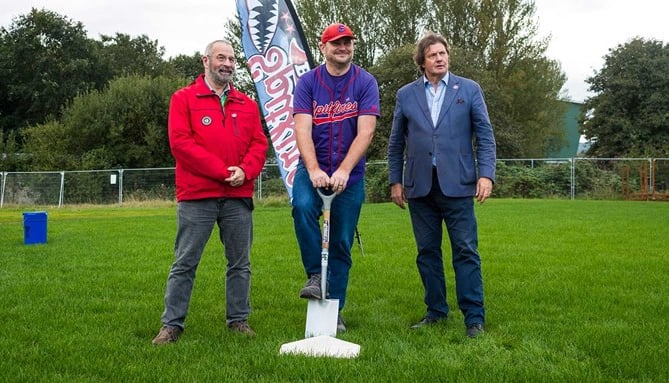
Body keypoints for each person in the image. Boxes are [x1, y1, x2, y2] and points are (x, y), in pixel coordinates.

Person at [152, 40, 268, 345]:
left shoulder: (247, 104)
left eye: (231, 58)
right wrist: (223, 171)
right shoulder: (184, 98)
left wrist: (245, 170)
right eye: (221, 57)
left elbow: (259, 144)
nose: (228, 63)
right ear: (206, 61)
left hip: (238, 196)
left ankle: (238, 320)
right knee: (185, 262)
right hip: (197, 195)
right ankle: (172, 324)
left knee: (240, 263)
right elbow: (181, 144)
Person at [387, 32, 496, 338]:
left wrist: (485, 174)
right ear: (422, 61)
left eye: (443, 53)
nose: (440, 58)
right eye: (433, 54)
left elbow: (485, 136)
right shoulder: (405, 95)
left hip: (459, 186)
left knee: (465, 250)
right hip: (419, 188)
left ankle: (474, 317)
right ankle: (436, 311)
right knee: (427, 252)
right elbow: (396, 143)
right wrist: (396, 180)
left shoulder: (470, 90)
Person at [291, 23, 380, 333]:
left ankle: (335, 309)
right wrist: (314, 170)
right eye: (336, 43)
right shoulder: (307, 83)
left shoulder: (365, 82)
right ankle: (316, 275)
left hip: (350, 176)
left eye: (348, 43)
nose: (343, 48)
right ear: (323, 47)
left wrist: (344, 170)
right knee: (302, 206)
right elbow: (302, 129)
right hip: (313, 168)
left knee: (341, 242)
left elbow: (366, 131)